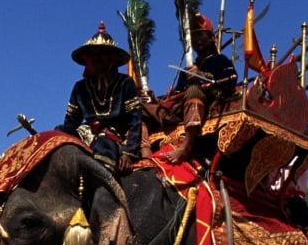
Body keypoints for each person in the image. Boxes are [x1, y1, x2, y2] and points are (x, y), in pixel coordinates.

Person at [57, 22, 143, 174]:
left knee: (103, 145)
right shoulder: (80, 87)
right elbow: (70, 122)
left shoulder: (125, 83)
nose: (96, 58)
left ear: (112, 58)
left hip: (114, 136)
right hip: (85, 134)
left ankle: (105, 192)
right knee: (58, 133)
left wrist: (128, 152)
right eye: (93, 55)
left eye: (101, 54)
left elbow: (135, 121)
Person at [161, 13, 237, 164]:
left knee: (194, 90)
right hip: (181, 109)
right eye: (193, 36)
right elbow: (178, 92)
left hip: (209, 103)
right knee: (145, 108)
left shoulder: (220, 60)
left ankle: (187, 146)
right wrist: (162, 98)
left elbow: (231, 82)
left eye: (201, 35)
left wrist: (203, 75)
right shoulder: (186, 70)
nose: (197, 40)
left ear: (211, 37)